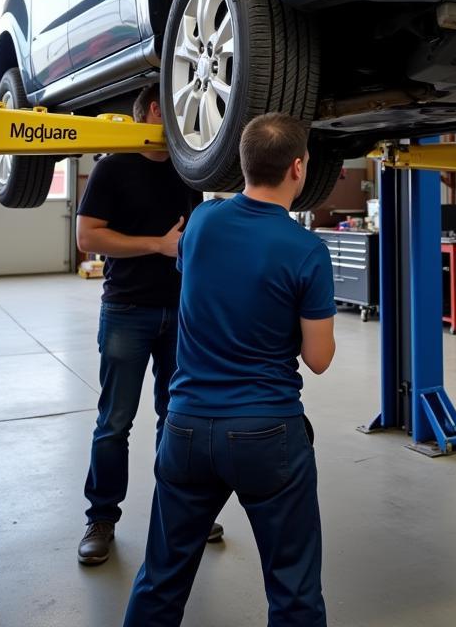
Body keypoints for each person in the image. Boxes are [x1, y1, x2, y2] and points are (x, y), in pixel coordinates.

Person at [122, 112, 336, 627]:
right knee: (294, 591)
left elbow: (204, 284)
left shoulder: (201, 223)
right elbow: (319, 359)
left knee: (160, 579)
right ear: (298, 169)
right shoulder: (307, 250)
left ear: (241, 165)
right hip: (268, 434)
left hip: (187, 428)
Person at [75, 83, 222, 565]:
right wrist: (156, 245)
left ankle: (180, 515)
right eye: (178, 106)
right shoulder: (112, 166)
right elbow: (87, 237)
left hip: (181, 312)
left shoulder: (188, 171)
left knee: (177, 419)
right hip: (127, 310)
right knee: (115, 422)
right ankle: (101, 517)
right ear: (156, 109)